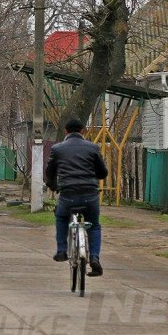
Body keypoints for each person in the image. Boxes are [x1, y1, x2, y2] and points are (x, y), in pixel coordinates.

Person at [44, 117, 109, 277]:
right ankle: (94, 257)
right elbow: (103, 172)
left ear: (66, 131)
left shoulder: (57, 149)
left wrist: (53, 185)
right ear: (83, 131)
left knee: (61, 217)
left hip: (68, 194)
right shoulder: (93, 148)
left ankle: (61, 250)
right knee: (94, 225)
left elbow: (50, 172)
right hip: (90, 194)